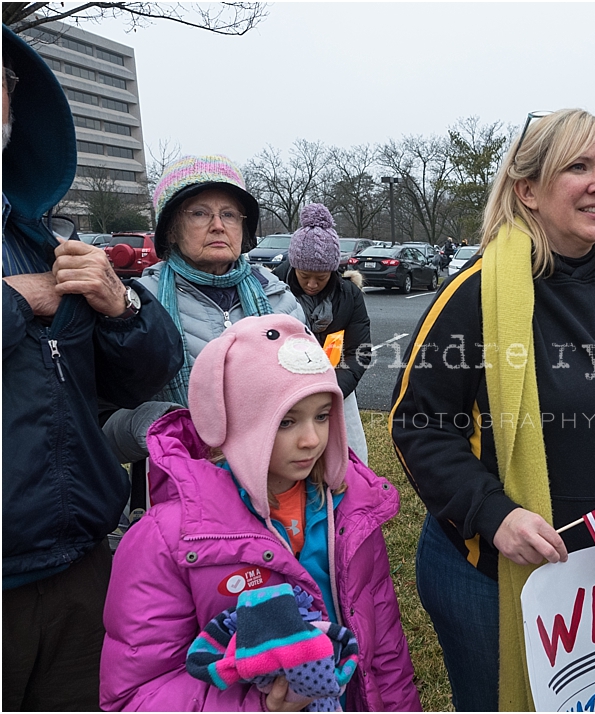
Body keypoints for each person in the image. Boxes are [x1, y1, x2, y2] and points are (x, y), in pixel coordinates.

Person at [390, 108, 595, 711]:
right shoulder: (474, 296)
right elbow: (418, 423)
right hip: (492, 573)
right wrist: (493, 513)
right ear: (528, 191)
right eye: (578, 167)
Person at [100, 314, 421, 712]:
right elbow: (136, 693)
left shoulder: (350, 507)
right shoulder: (167, 538)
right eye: (286, 422)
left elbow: (385, 647)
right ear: (234, 422)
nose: (311, 440)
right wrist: (261, 706)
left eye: (323, 415)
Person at [2, 25, 183, 710]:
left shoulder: (40, 239)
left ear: (14, 108)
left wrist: (121, 307)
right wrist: (17, 303)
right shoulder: (31, 274)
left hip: (77, 567)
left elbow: (146, 376)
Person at [102, 154, 305, 464]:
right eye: (199, 213)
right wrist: (153, 427)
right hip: (177, 487)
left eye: (230, 214)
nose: (218, 226)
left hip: (274, 484)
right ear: (171, 229)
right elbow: (102, 428)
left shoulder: (279, 299)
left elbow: (311, 397)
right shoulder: (138, 308)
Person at [273, 203, 371, 463]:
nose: (312, 284)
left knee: (349, 457)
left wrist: (331, 391)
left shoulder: (349, 296)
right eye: (305, 276)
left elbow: (358, 353)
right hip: (283, 395)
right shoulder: (272, 293)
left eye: (321, 277)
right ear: (293, 266)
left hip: (336, 392)